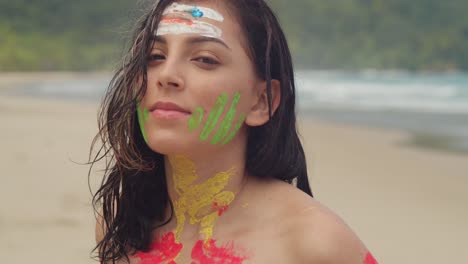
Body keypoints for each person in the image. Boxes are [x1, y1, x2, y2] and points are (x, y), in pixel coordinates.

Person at [91, 0, 378, 263]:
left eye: (204, 59)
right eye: (155, 56)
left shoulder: (312, 243)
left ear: (261, 101)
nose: (166, 75)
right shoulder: (121, 226)